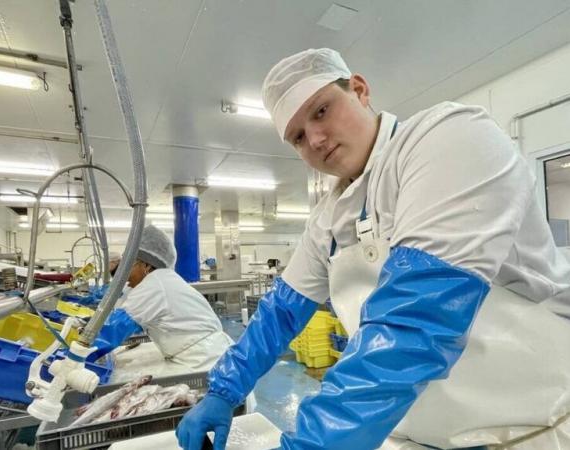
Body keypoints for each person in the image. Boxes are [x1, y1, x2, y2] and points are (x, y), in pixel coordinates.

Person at [176, 48, 570, 450]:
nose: (314, 138)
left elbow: (416, 320)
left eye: (321, 111)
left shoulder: (449, 138)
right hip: (413, 433)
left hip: (530, 430)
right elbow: (279, 314)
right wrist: (223, 390)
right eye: (297, 136)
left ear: (360, 90)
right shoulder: (327, 219)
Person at [89, 225, 235, 379]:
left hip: (205, 361)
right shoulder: (161, 279)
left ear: (146, 265)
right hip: (209, 356)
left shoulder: (153, 284)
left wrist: (74, 355)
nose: (125, 274)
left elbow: (112, 331)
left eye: (129, 265)